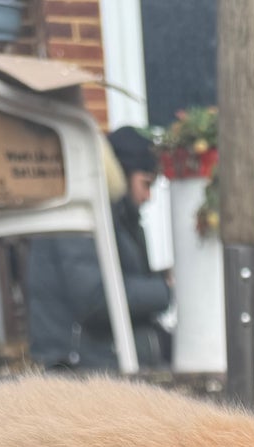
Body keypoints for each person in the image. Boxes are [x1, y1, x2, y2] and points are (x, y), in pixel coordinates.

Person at [26, 126, 172, 370]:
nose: (149, 196)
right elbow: (95, 299)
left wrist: (162, 281)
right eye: (146, 184)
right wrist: (163, 290)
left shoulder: (117, 219)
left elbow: (121, 282)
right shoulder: (79, 216)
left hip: (98, 356)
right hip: (77, 365)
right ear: (122, 174)